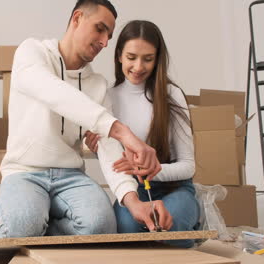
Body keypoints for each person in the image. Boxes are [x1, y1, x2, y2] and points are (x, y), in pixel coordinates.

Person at [0, 1, 168, 238]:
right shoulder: (31, 52)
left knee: (102, 227)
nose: (105, 42)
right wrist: (122, 131)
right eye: (100, 28)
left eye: (109, 34)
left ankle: (40, 225)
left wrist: (132, 200)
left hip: (70, 176)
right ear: (77, 18)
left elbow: (109, 149)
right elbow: (55, 92)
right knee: (21, 227)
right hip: (24, 171)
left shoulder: (96, 85)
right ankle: (31, 221)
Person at [85, 20, 200, 248]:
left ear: (157, 59)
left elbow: (188, 165)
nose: (138, 67)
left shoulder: (171, 94)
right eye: (131, 57)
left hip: (174, 187)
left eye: (147, 59)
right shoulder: (107, 98)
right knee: (127, 229)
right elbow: (117, 163)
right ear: (119, 56)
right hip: (133, 191)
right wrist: (97, 149)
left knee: (168, 225)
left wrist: (148, 171)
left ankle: (193, 222)